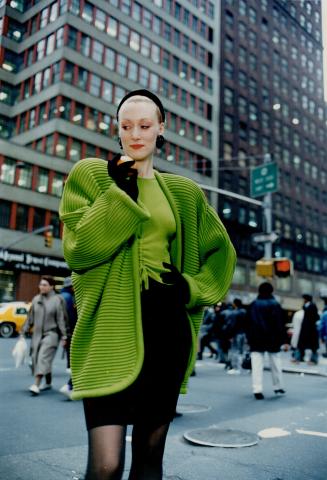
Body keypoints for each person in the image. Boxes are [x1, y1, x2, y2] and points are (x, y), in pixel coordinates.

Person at [59, 89, 236, 480]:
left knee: (150, 459)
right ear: (117, 130)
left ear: (161, 129)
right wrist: (120, 195)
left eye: (144, 125)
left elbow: (221, 253)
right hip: (109, 331)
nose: (135, 134)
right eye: (126, 126)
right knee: (106, 466)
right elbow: (80, 251)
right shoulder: (91, 175)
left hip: (167, 330)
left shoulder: (184, 192)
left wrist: (190, 289)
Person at [21, 275, 67, 395]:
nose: (42, 287)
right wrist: (23, 331)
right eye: (40, 284)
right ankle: (48, 382)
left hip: (52, 334)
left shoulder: (58, 299)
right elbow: (30, 318)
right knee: (37, 358)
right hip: (37, 335)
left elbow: (61, 319)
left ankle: (36, 384)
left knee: (43, 357)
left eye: (45, 285)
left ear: (52, 287)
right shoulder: (36, 299)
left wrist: (64, 336)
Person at [246, 282, 288, 400]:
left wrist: (249, 338)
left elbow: (247, 323)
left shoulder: (253, 305)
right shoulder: (275, 304)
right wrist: (284, 340)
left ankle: (257, 389)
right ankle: (278, 386)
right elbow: (280, 324)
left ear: (259, 291)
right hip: (272, 339)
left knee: (257, 366)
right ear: (271, 291)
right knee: (276, 364)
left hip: (256, 339)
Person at [59, 276, 77, 399]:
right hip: (69, 330)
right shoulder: (69, 298)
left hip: (60, 330)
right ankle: (71, 385)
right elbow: (71, 318)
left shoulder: (59, 297)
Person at [224, 298, 247, 374]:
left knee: (234, 351)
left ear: (234, 304)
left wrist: (229, 335)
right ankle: (243, 367)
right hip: (244, 333)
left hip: (236, 334)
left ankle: (236, 368)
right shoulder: (245, 312)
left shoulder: (235, 313)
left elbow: (232, 325)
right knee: (242, 351)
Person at [296, 294, 320, 365]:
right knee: (301, 344)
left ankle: (313, 359)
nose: (303, 300)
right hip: (306, 328)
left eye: (304, 299)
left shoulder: (312, 305)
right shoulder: (306, 305)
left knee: (313, 345)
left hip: (311, 329)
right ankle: (299, 357)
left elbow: (314, 317)